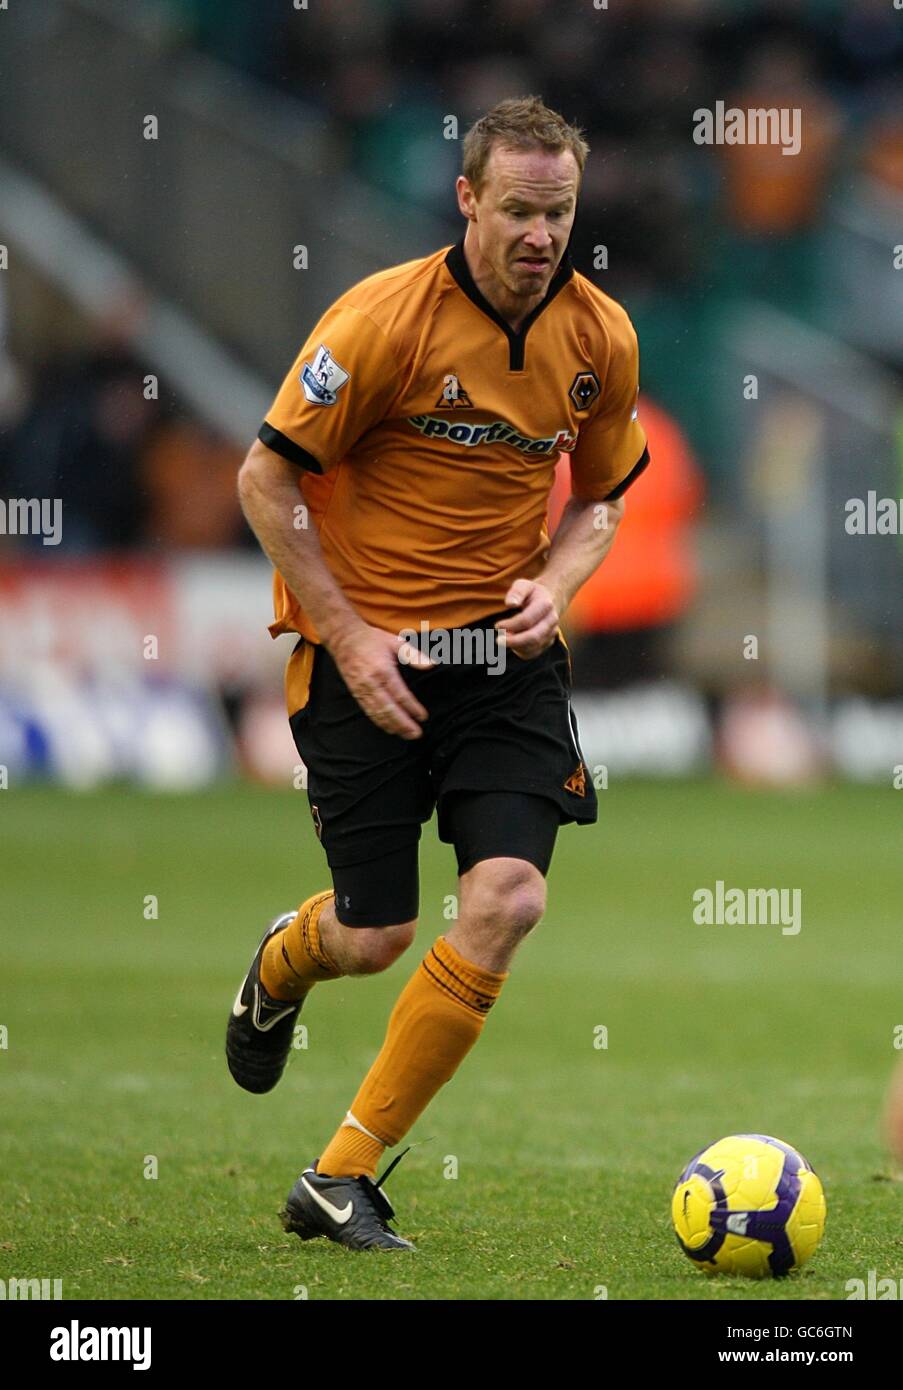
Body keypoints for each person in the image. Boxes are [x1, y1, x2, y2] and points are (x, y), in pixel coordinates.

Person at [227, 96, 649, 1250]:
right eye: (517, 209)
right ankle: (282, 961)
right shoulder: (380, 322)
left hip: (504, 666)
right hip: (365, 656)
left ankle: (341, 1172)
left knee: (509, 898)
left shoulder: (599, 335)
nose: (539, 235)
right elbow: (264, 483)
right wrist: (353, 638)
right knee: (374, 937)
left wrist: (557, 583)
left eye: (557, 213)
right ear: (468, 198)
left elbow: (605, 501)